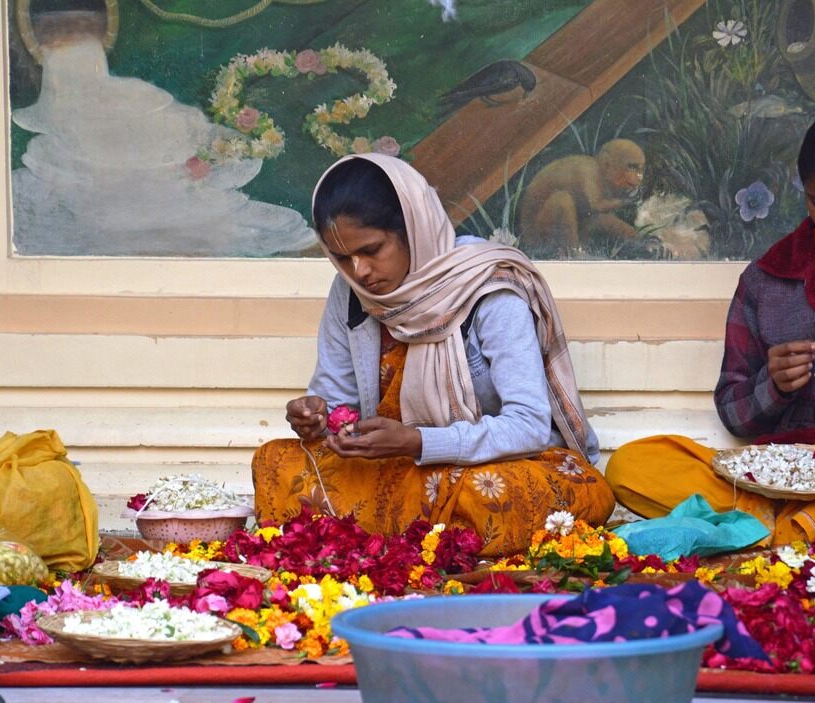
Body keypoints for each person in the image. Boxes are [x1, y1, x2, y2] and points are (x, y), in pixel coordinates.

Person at [252, 153, 614, 556]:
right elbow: (338, 404)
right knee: (274, 462)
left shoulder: (487, 286)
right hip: (399, 467)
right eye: (342, 258)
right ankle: (420, 537)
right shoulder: (351, 293)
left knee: (489, 496)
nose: (360, 271)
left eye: (372, 249)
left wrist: (418, 442)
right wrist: (317, 417)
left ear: (413, 227)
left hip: (495, 465)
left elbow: (529, 426)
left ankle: (393, 534)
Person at [606, 111, 815, 545]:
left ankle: (775, 527)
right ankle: (814, 525)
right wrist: (773, 385)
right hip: (778, 479)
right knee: (632, 465)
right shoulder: (766, 280)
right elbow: (733, 411)